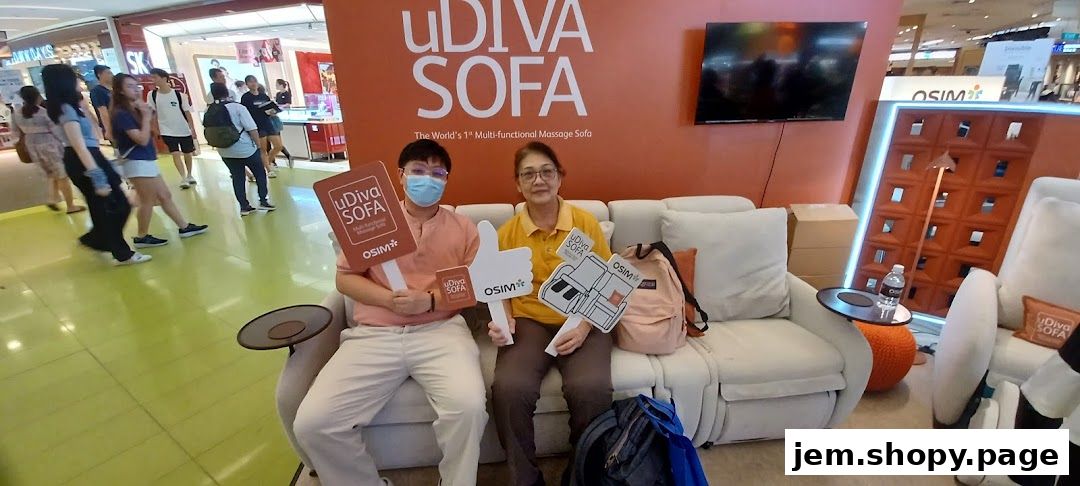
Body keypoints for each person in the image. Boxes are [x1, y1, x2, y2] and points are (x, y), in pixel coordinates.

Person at [293, 139, 487, 486]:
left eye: (437, 173)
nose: (427, 179)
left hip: (441, 331)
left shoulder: (464, 228)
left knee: (469, 408)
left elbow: (472, 287)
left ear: (446, 180)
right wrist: (386, 300)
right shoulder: (372, 220)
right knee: (313, 423)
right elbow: (345, 278)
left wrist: (429, 301)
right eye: (418, 171)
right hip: (373, 335)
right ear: (401, 176)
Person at [489, 141, 614, 486]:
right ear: (518, 183)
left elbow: (607, 284)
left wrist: (586, 325)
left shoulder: (585, 224)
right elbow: (498, 292)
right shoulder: (508, 233)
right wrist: (503, 321)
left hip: (583, 318)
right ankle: (526, 480)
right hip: (530, 322)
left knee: (590, 388)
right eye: (528, 174)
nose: (539, 180)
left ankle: (581, 476)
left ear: (560, 177)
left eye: (547, 172)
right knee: (509, 389)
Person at [43, 64, 148, 265]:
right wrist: (98, 176)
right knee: (116, 204)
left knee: (102, 206)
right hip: (84, 158)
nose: (79, 81)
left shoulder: (70, 106)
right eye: (74, 78)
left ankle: (97, 239)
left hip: (85, 157)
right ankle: (120, 251)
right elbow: (79, 145)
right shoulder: (65, 109)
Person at [110, 73, 208, 248]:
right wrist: (146, 118)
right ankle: (141, 236)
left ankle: (184, 227)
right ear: (120, 91)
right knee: (148, 200)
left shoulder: (134, 109)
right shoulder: (121, 114)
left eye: (136, 86)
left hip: (145, 160)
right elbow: (140, 138)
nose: (135, 90)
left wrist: (144, 113)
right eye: (129, 87)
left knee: (164, 195)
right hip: (136, 161)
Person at [10, 86, 85, 214]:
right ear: (37, 96)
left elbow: (15, 132)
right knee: (62, 176)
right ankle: (70, 205)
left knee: (51, 174)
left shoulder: (16, 113)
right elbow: (56, 131)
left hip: (32, 145)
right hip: (50, 145)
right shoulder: (43, 112)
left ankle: (52, 199)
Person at [208, 82, 273, 216]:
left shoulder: (210, 110)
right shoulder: (237, 107)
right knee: (260, 173)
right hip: (245, 148)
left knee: (237, 177)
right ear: (227, 92)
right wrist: (258, 146)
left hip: (225, 150)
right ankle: (263, 200)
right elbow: (252, 128)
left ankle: (244, 206)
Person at [149, 68, 199, 189]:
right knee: (175, 153)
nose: (153, 80)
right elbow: (152, 113)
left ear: (164, 78)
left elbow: (187, 113)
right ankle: (183, 178)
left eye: (155, 77)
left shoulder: (179, 95)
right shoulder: (152, 95)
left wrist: (192, 129)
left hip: (183, 129)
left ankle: (189, 174)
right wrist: (155, 128)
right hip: (166, 130)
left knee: (187, 153)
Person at [240, 76, 282, 178]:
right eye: (250, 82)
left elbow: (270, 107)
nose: (253, 84)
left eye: (255, 81)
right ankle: (268, 170)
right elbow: (245, 112)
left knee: (278, 146)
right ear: (247, 84)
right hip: (256, 125)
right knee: (262, 149)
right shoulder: (246, 97)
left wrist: (273, 112)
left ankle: (268, 162)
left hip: (268, 123)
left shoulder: (263, 96)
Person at [88, 65, 114, 141]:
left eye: (111, 73)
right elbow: (103, 112)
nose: (111, 75)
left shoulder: (113, 89)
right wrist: (108, 130)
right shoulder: (97, 91)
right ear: (99, 75)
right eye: (108, 73)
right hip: (112, 126)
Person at [273, 78, 294, 167]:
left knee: (276, 143)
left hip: (279, 117)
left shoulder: (287, 93)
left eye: (277, 84)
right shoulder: (278, 94)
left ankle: (272, 162)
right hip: (277, 117)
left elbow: (288, 104)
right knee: (276, 143)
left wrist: (280, 106)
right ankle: (272, 162)